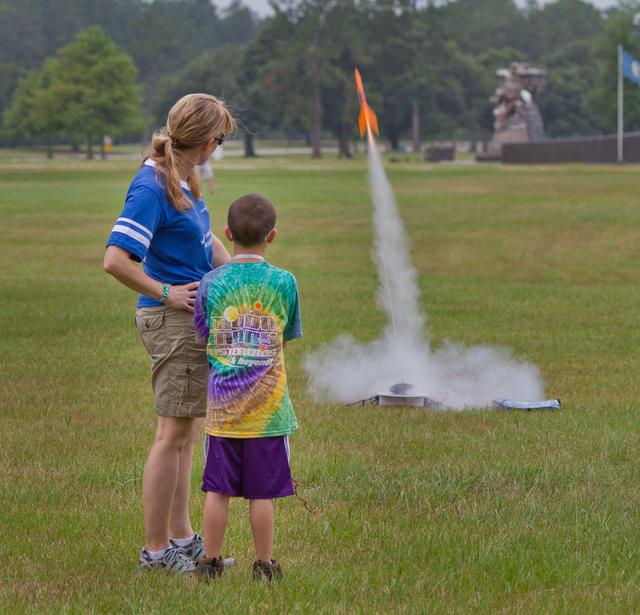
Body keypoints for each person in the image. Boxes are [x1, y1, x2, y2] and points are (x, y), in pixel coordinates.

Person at [103, 93, 236, 574]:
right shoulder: (152, 186)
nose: (218, 148)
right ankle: (156, 552)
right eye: (219, 139)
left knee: (185, 433)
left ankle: (182, 539)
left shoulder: (182, 177)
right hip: (173, 321)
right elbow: (115, 260)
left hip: (192, 320)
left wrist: (244, 272)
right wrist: (166, 293)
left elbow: (205, 239)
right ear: (204, 142)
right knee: (170, 436)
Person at [192, 194, 302, 582]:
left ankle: (209, 562)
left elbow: (204, 335)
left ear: (227, 234)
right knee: (262, 494)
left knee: (217, 490)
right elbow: (285, 335)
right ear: (272, 236)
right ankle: (265, 565)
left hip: (223, 412)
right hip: (268, 414)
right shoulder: (284, 282)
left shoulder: (210, 282)